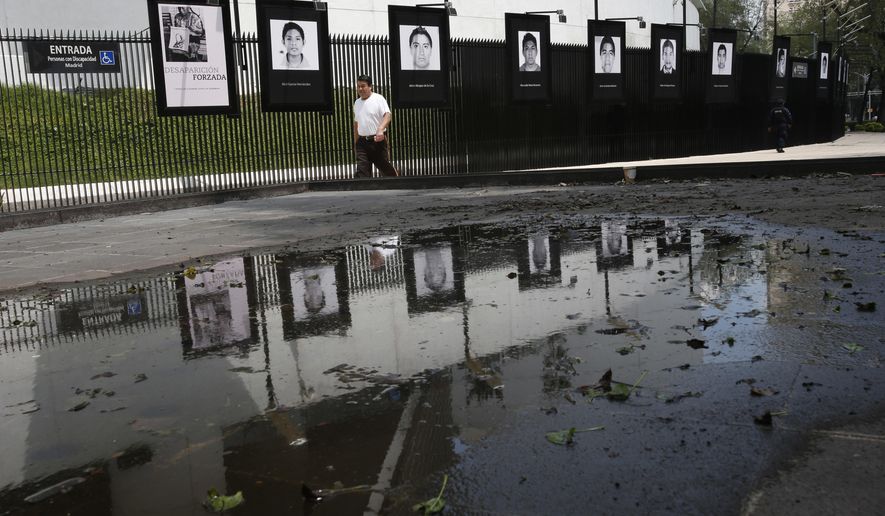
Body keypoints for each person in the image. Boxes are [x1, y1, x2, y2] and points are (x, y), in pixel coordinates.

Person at [352, 74, 399, 178]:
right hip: (362, 142)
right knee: (362, 172)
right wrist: (355, 143)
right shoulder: (357, 102)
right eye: (358, 86)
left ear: (370, 86)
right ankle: (365, 192)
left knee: (386, 170)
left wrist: (380, 129)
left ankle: (394, 188)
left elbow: (388, 115)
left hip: (377, 141)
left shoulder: (378, 98)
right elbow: (356, 123)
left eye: (363, 86)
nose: (360, 88)